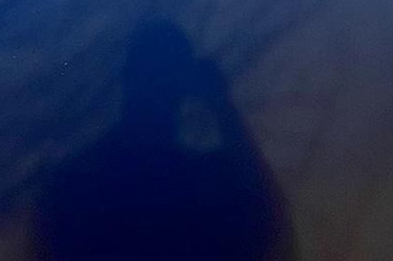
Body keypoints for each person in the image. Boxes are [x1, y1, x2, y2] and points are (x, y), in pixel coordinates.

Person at [33, 20, 294, 261]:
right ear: (187, 83)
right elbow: (263, 220)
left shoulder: (77, 179)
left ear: (128, 79)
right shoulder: (205, 183)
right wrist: (223, 108)